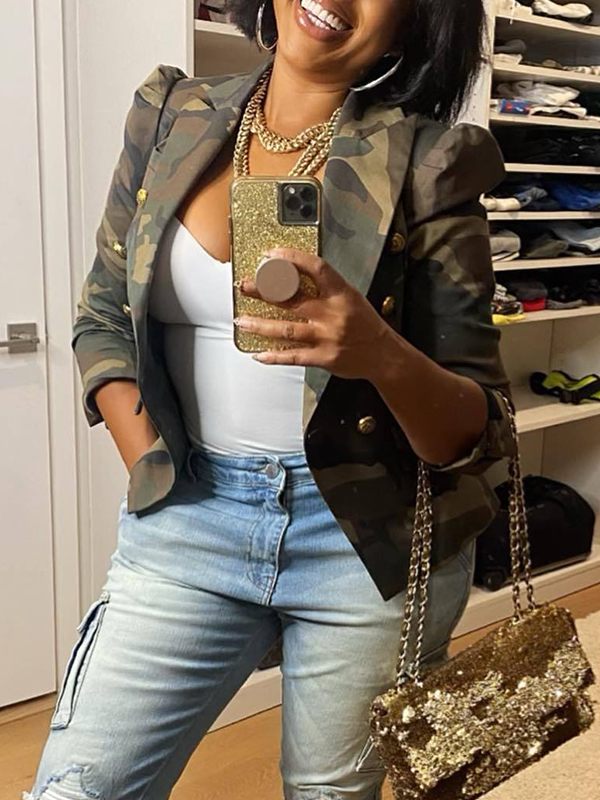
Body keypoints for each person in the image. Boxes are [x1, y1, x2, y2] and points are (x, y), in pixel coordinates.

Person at [24, 1, 516, 798]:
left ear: (415, 20)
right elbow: (103, 315)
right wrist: (150, 462)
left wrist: (379, 353)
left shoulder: (431, 160)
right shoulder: (170, 115)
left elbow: (479, 429)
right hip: (188, 516)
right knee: (79, 787)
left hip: (367, 544)